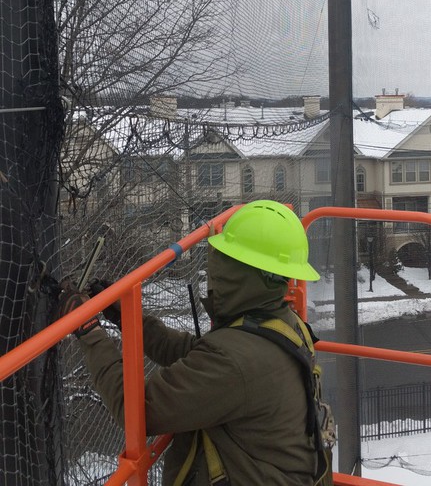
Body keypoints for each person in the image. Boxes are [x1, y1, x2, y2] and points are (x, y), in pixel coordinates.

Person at [58, 200, 326, 486]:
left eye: (222, 256)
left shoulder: (235, 359)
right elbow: (193, 354)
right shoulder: (282, 323)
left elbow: (136, 410)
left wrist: (89, 332)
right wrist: (127, 317)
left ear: (236, 270)